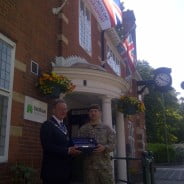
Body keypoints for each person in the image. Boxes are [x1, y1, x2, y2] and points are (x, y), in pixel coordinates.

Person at [40, 99, 81, 184]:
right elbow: (47, 146)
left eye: (65, 109)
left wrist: (79, 147)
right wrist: (68, 150)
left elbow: (68, 143)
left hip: (65, 172)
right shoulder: (47, 125)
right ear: (54, 110)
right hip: (52, 172)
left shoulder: (64, 126)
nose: (64, 111)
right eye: (61, 109)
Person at [78, 104, 116, 184]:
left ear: (100, 113)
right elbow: (79, 145)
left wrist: (104, 147)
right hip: (89, 167)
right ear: (88, 114)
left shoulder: (107, 128)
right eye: (91, 111)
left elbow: (113, 145)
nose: (93, 113)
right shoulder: (83, 129)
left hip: (104, 167)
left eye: (95, 111)